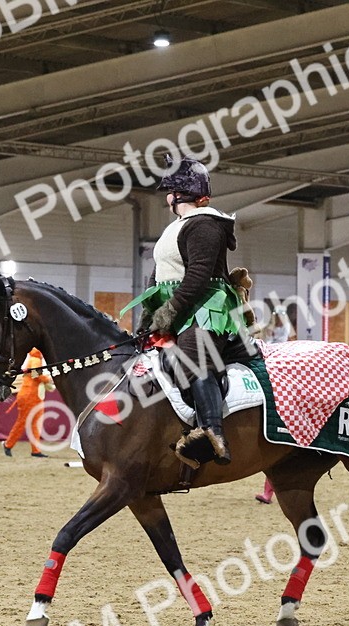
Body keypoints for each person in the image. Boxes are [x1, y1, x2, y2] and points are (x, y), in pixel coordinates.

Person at [122, 155, 250, 467]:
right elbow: (158, 276)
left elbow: (198, 277)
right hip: (178, 308)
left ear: (178, 193)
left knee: (193, 353)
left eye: (168, 191)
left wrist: (169, 311)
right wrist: (149, 316)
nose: (166, 197)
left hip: (207, 308)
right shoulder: (175, 228)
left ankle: (212, 433)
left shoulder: (206, 224)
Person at [4, 347, 54, 458]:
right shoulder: (36, 360)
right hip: (30, 396)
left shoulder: (33, 359)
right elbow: (36, 375)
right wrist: (48, 379)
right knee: (26, 423)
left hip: (33, 396)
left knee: (32, 424)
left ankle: (34, 450)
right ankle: (8, 444)